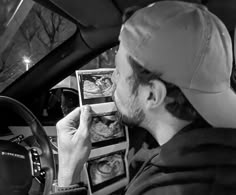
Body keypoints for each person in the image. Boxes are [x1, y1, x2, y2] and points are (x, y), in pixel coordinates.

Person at [51, 1, 236, 195]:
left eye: (119, 72)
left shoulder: (157, 189)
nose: (112, 78)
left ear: (152, 94)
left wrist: (67, 176)